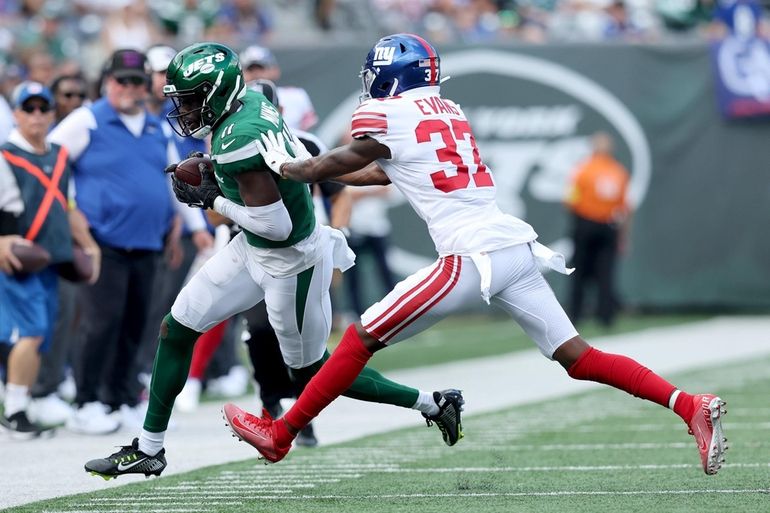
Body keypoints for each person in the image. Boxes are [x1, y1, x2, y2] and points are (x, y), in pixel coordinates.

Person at [222, 33, 728, 477]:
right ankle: (689, 405)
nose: (370, 83)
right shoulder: (448, 111)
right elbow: (380, 171)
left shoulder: (388, 113)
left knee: (358, 339)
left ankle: (281, 434)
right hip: (512, 246)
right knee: (578, 356)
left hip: (470, 256)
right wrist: (317, 169)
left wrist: (286, 165)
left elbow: (334, 163)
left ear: (392, 78)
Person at [82, 42, 463, 480]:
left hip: (292, 261)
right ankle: (149, 449)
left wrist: (214, 198)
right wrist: (219, 179)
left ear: (216, 92)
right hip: (253, 247)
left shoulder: (238, 136)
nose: (183, 109)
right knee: (177, 327)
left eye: (189, 99)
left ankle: (433, 403)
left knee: (314, 371)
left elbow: (276, 226)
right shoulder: (249, 101)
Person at [48, 49, 188, 435]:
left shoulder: (157, 127)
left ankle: (121, 398)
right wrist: (71, 214)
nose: (130, 88)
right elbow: (47, 164)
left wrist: (182, 221)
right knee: (100, 322)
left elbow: (170, 181)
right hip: (102, 241)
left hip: (148, 241)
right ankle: (87, 400)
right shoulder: (87, 120)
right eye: (122, 81)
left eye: (137, 81)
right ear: (107, 82)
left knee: (136, 323)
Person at [0, 81, 100, 438]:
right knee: (32, 332)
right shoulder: (4, 156)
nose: (37, 115)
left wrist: (89, 244)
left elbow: (68, 205)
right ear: (16, 113)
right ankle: (15, 411)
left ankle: (19, 401)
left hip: (52, 259)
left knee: (40, 335)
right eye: (29, 108)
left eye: (44, 108)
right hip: (19, 259)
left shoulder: (58, 154)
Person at [565, 131, 631, 327]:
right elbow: (625, 208)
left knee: (579, 271)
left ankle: (576, 314)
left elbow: (570, 200)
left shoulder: (582, 170)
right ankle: (606, 316)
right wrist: (623, 235)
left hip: (585, 223)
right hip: (608, 225)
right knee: (606, 272)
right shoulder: (618, 171)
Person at [239, 45, 318, 132]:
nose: (256, 74)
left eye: (261, 68)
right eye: (250, 69)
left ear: (275, 70)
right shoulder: (234, 101)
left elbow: (309, 132)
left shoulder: (295, 96)